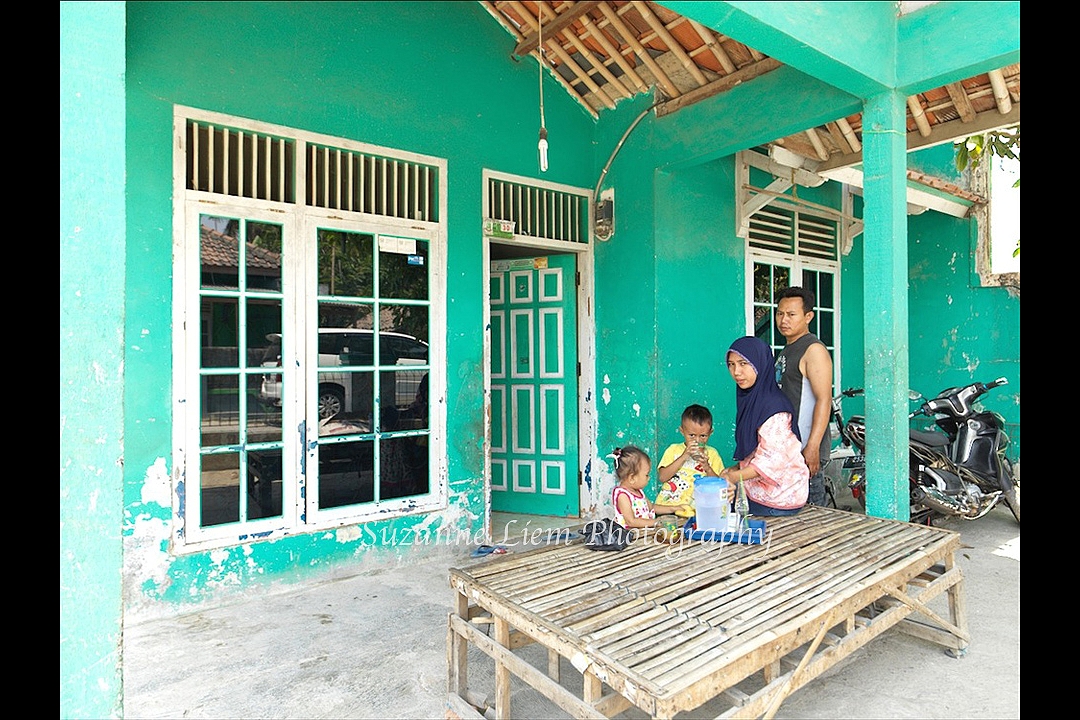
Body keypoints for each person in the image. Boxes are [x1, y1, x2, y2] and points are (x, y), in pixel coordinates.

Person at [720, 336, 808, 516]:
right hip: (760, 490)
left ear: (760, 363)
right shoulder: (752, 398)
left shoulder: (773, 408)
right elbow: (756, 449)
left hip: (781, 497)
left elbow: (771, 461)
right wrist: (733, 470)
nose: (736, 372)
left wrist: (733, 477)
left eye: (744, 363)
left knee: (720, 508)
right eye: (731, 364)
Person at [774, 287, 834, 507]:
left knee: (812, 515)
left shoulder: (813, 350)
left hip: (806, 449)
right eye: (780, 313)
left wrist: (813, 446)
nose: (783, 319)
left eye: (791, 314)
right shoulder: (787, 349)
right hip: (790, 448)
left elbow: (824, 399)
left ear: (808, 316)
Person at [655, 404, 726, 517]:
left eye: (703, 436)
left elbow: (719, 486)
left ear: (710, 433)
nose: (697, 440)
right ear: (682, 431)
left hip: (697, 511)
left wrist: (707, 467)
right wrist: (684, 455)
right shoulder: (673, 450)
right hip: (669, 509)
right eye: (692, 435)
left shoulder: (712, 454)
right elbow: (663, 477)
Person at [611, 446, 691, 529]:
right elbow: (631, 521)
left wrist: (673, 508)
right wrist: (656, 522)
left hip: (644, 534)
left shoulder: (638, 491)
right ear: (632, 478)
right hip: (631, 538)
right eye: (646, 475)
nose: (648, 478)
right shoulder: (623, 495)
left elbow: (652, 507)